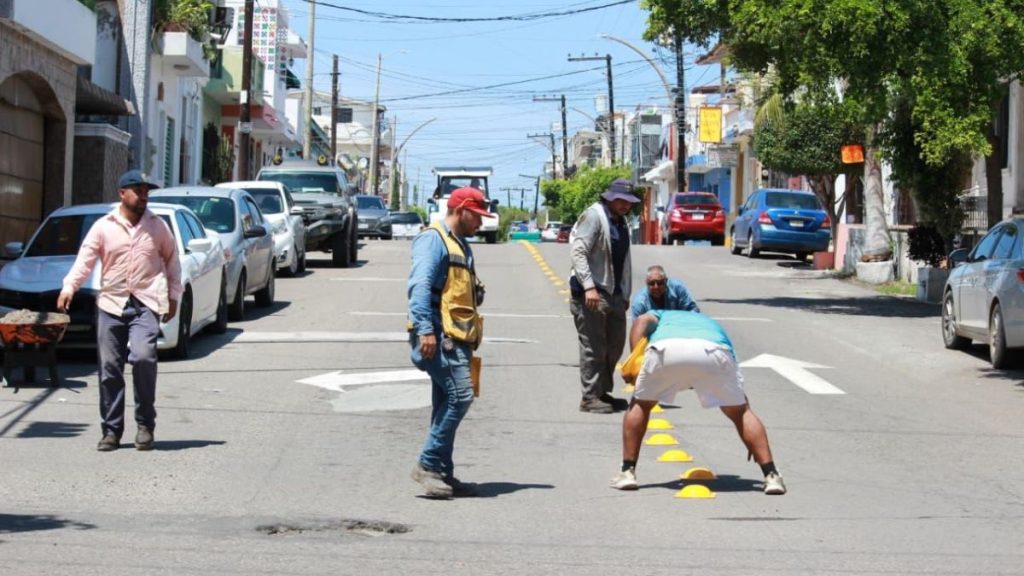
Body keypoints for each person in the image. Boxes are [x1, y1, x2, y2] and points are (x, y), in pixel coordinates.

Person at [57, 169, 182, 452]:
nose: (143, 196)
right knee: (110, 369)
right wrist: (69, 288)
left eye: (146, 191)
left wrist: (173, 296)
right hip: (111, 304)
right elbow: (85, 260)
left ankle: (145, 425)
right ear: (122, 194)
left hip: (145, 304)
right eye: (138, 191)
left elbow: (172, 261)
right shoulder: (104, 226)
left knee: (143, 357)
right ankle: (111, 430)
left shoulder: (157, 226)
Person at [610, 309, 787, 495]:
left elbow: (641, 321)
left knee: (641, 404)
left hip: (666, 350)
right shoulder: (706, 320)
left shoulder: (659, 314)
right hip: (713, 351)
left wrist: (635, 359)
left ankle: (627, 472)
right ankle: (771, 475)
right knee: (741, 412)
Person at [407, 186, 494, 499]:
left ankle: (442, 472)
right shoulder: (434, 239)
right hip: (439, 337)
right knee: (460, 397)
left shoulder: (460, 244)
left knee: (446, 401)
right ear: (462, 210)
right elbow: (419, 288)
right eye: (477, 217)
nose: (480, 224)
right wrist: (425, 331)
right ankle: (428, 464)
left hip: (457, 337)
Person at [568, 179, 640, 414]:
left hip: (614, 293)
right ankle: (589, 397)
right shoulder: (594, 216)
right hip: (592, 293)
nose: (626, 205)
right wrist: (588, 286)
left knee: (614, 345)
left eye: (629, 202)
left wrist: (625, 291)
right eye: (622, 200)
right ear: (610, 197)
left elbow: (624, 260)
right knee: (593, 347)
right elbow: (578, 252)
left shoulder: (621, 222)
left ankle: (602, 392)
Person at [630, 265, 700, 318]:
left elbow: (693, 311)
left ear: (666, 281)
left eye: (659, 283)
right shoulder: (639, 303)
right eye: (651, 283)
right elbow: (637, 329)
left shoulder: (678, 289)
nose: (656, 287)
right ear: (646, 283)